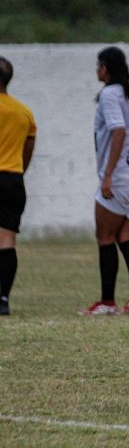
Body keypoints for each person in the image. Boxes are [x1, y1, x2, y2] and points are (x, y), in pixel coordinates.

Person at [82, 47, 129, 316]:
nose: (96, 70)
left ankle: (107, 302)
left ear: (106, 68)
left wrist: (109, 173)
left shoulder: (109, 94)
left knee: (104, 236)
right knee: (126, 236)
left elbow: (118, 131)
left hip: (122, 175)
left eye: (98, 65)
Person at [0, 57, 36, 316]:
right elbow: (29, 147)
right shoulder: (24, 112)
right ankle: (3, 299)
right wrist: (19, 169)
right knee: (7, 239)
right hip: (13, 178)